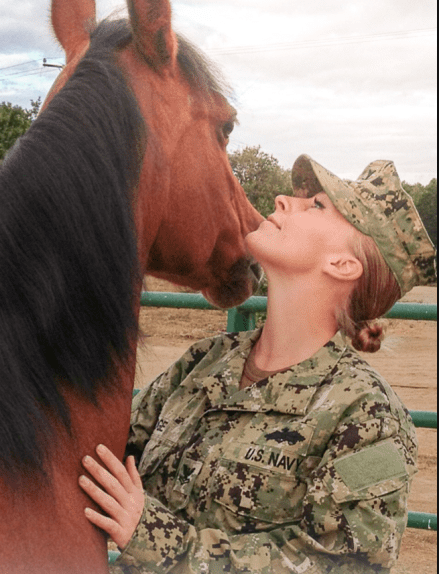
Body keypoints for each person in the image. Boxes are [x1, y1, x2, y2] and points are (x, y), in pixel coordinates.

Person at [79, 155, 436, 573]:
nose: (284, 200)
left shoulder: (372, 417)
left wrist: (154, 536)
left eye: (317, 205)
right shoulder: (204, 362)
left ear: (343, 264)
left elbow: (348, 562)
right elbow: (97, 458)